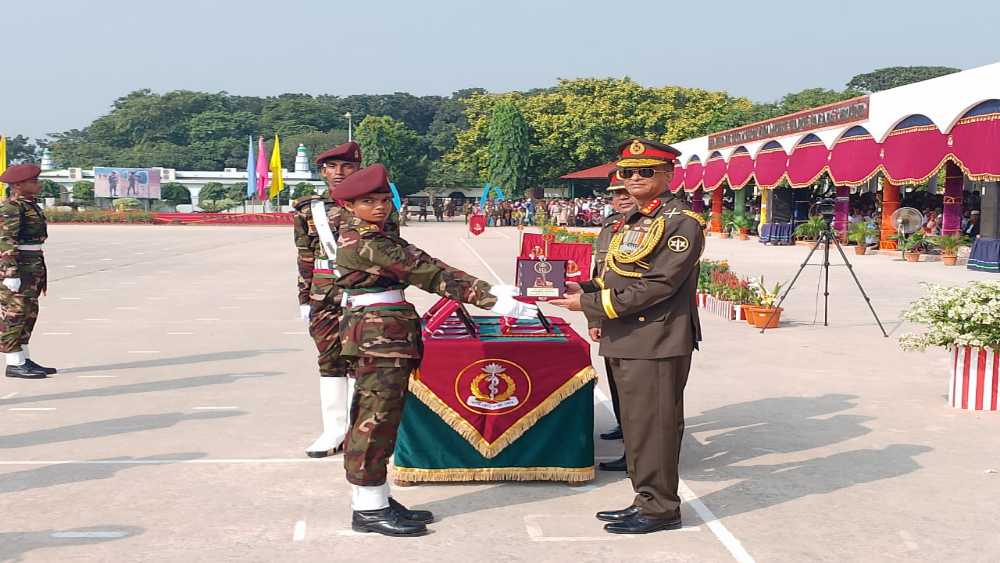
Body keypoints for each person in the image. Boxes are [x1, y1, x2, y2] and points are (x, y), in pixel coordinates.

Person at [331, 164, 536, 536]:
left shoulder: (378, 235)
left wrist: (488, 291)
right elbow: (428, 273)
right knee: (374, 420)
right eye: (367, 202)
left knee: (383, 418)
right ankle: (367, 508)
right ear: (349, 205)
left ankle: (375, 498)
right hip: (378, 340)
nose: (379, 207)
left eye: (382, 200)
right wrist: (491, 299)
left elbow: (428, 262)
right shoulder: (368, 243)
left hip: (386, 335)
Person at [551, 138, 704, 535]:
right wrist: (583, 289)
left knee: (654, 426)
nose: (633, 178)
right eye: (627, 172)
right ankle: (646, 498)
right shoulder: (634, 220)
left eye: (645, 171)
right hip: (627, 334)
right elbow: (618, 275)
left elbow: (659, 285)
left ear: (669, 174)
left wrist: (591, 306)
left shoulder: (679, 223)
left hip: (655, 337)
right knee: (636, 425)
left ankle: (660, 508)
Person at [292, 141, 395, 459]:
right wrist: (304, 298)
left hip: (363, 295)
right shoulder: (310, 209)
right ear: (322, 172)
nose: (339, 173)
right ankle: (333, 429)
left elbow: (391, 252)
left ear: (358, 169)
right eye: (331, 167)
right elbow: (305, 255)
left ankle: (361, 430)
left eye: (347, 167)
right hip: (324, 297)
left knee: (364, 362)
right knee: (330, 361)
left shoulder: (376, 205)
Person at [580, 172, 636, 472]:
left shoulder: (653, 227)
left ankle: (636, 449)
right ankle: (624, 425)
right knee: (617, 382)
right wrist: (594, 316)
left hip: (638, 318)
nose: (622, 197)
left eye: (626, 191)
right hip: (610, 313)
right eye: (616, 193)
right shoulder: (609, 226)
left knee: (636, 390)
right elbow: (599, 273)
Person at [0, 164, 56, 378]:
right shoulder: (12, 207)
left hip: (32, 264)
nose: (37, 184)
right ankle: (13, 363)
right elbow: (6, 240)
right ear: (18, 185)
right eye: (33, 181)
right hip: (18, 265)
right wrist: (10, 272)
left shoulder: (29, 205)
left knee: (29, 313)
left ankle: (24, 358)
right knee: (15, 314)